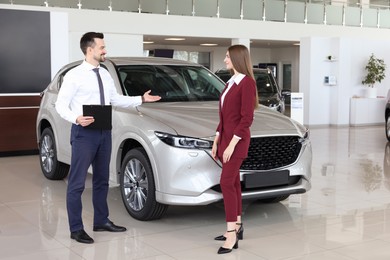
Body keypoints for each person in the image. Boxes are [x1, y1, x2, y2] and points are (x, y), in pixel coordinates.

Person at [55, 32, 161, 244]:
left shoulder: (104, 74)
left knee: (102, 180)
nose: (105, 50)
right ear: (90, 49)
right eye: (102, 47)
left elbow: (115, 99)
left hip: (105, 132)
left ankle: (101, 221)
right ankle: (76, 229)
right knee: (76, 183)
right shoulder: (74, 75)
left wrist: (141, 98)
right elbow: (60, 105)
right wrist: (76, 118)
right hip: (84, 134)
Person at [211, 44, 258, 254]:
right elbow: (224, 116)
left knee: (226, 183)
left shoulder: (246, 83)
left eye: (228, 57)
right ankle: (237, 226)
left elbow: (246, 118)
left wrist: (231, 144)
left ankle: (231, 233)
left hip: (237, 142)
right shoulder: (230, 82)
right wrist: (217, 138)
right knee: (234, 183)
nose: (225, 60)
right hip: (225, 140)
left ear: (238, 58)